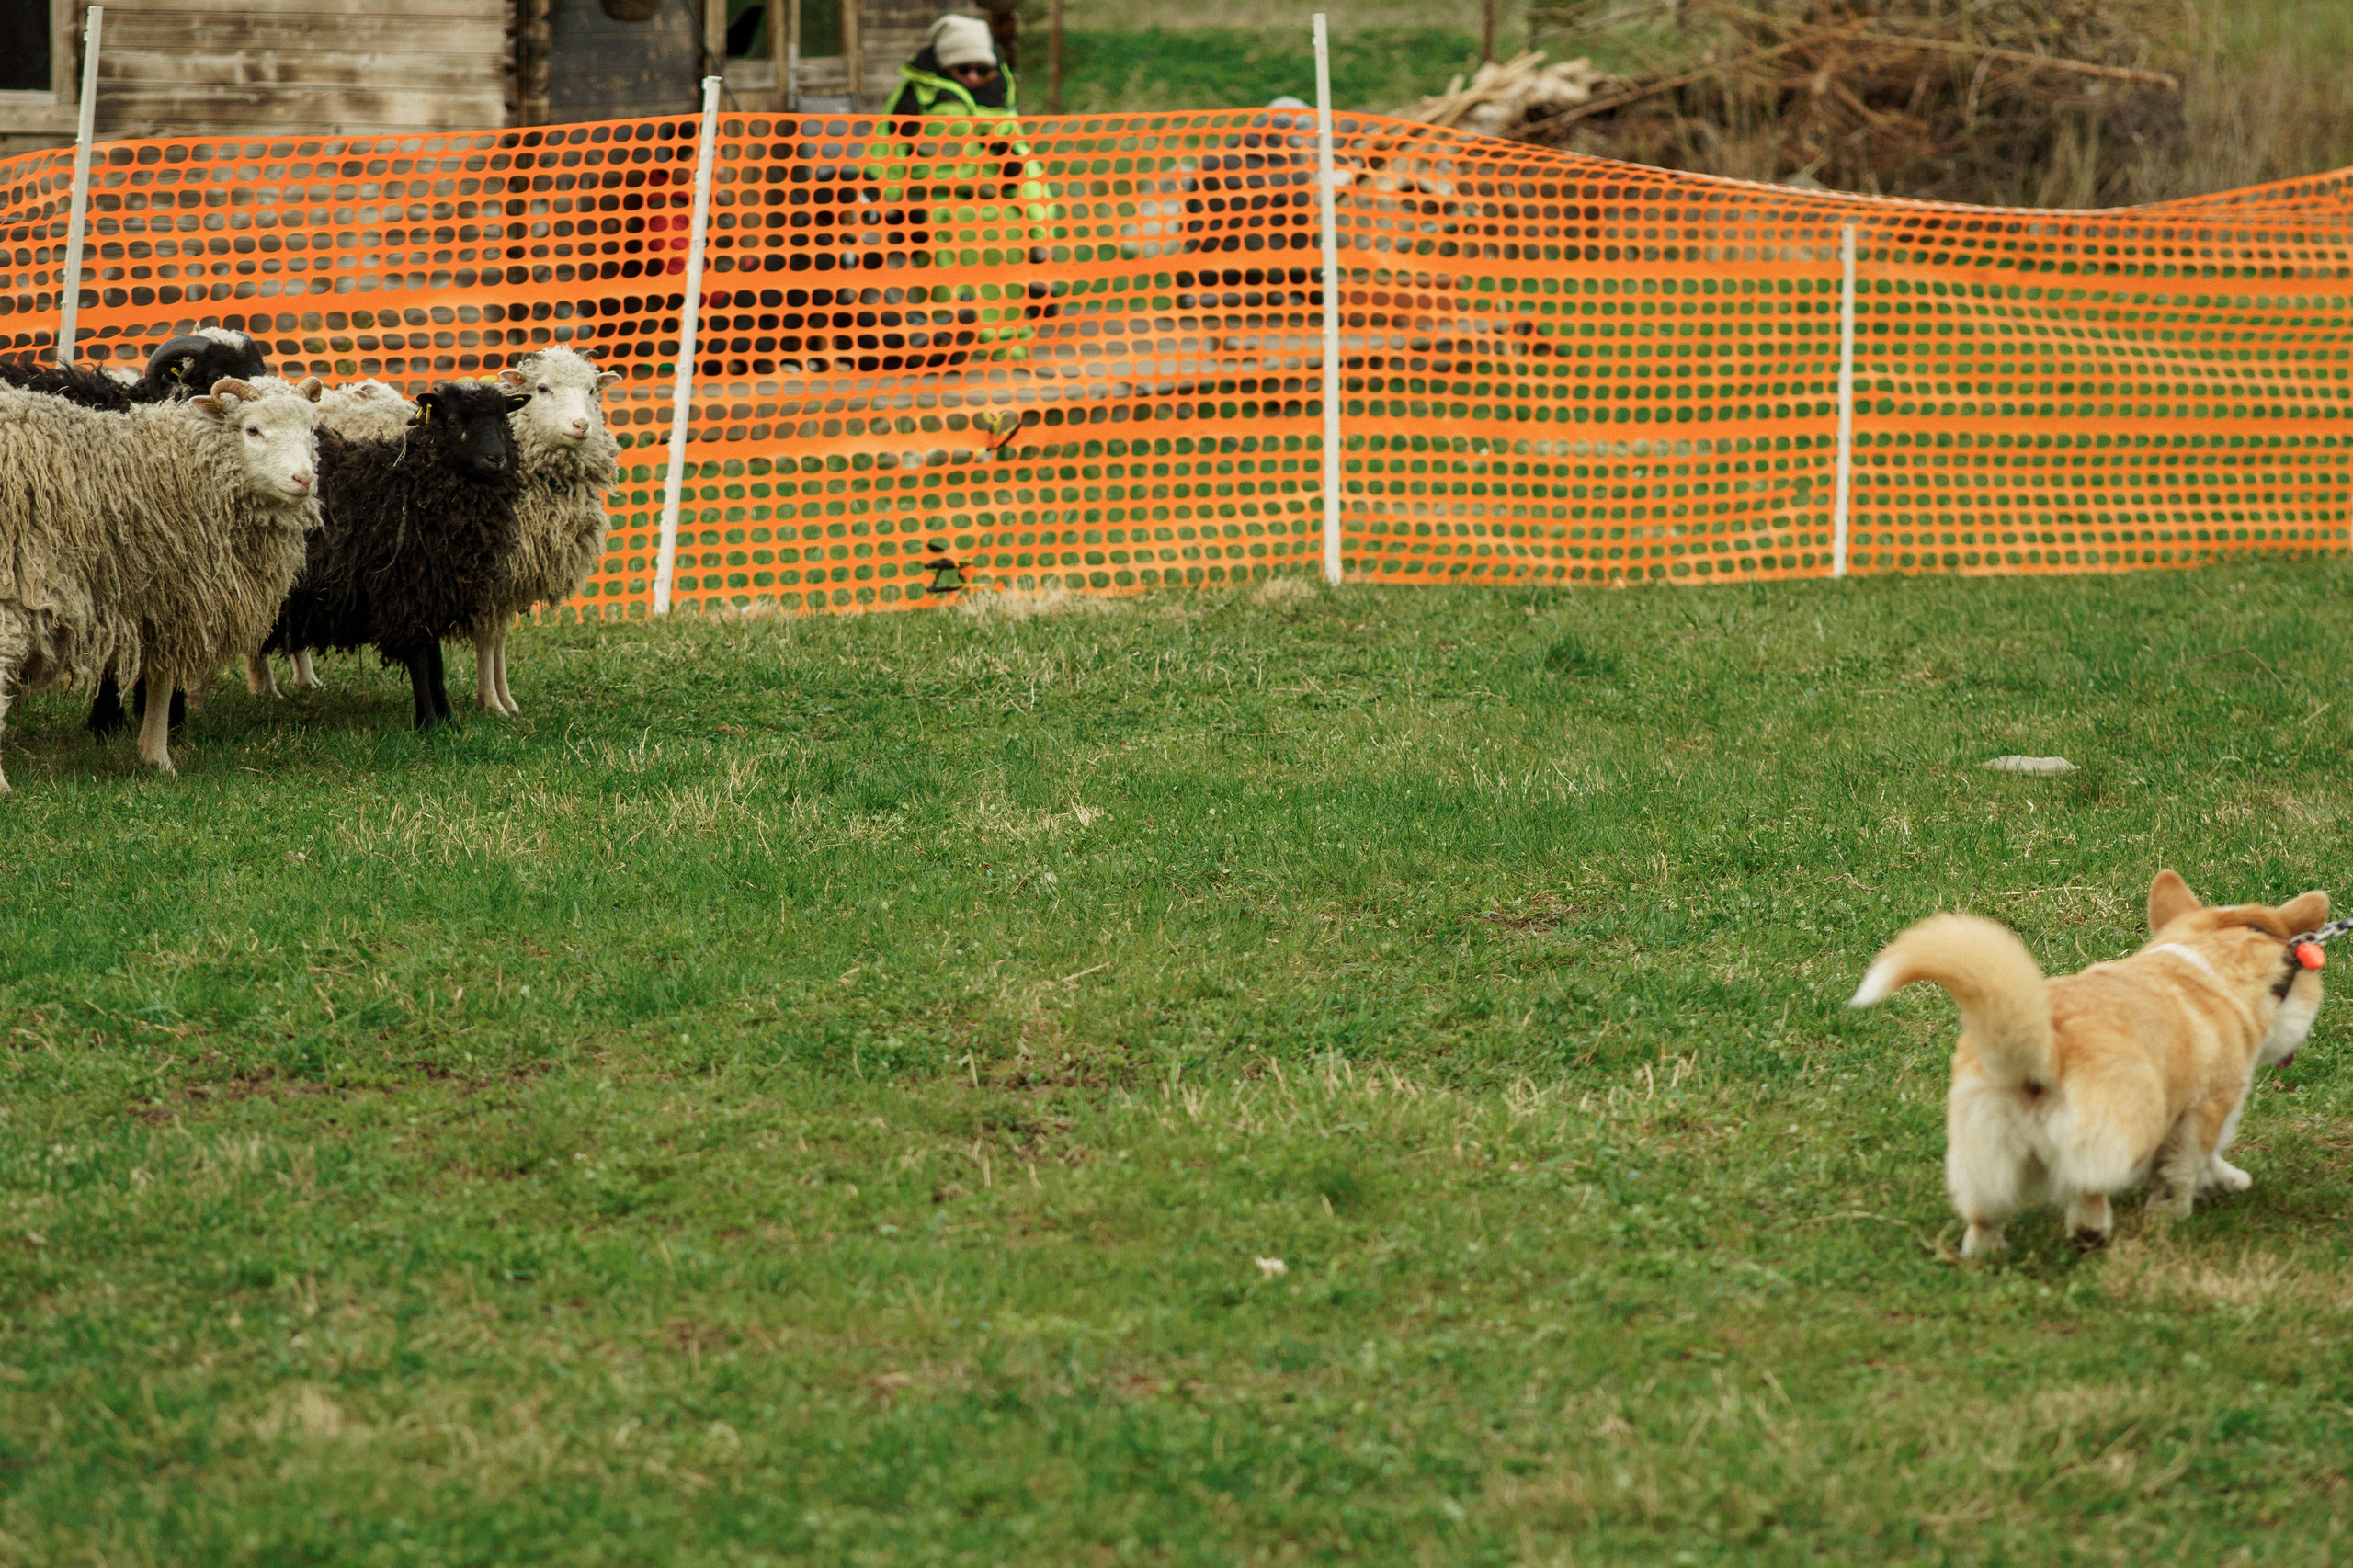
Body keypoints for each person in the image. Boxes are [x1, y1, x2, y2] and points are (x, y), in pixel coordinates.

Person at [889, 15, 1017, 119]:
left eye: (981, 70)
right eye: (963, 69)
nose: (972, 77)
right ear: (946, 66)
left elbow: (1015, 133)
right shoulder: (918, 90)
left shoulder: (1002, 90)